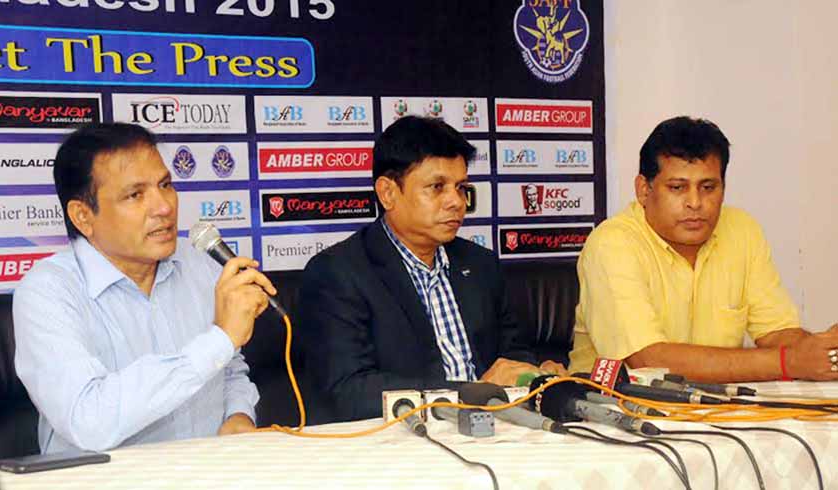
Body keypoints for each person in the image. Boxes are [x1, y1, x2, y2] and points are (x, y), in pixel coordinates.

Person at [13, 123, 276, 453]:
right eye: (135, 195)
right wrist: (219, 340)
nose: (164, 207)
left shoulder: (199, 266)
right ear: (83, 216)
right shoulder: (48, 292)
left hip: (210, 474)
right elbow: (89, 420)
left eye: (165, 185)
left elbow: (229, 367)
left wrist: (238, 415)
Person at [299, 116, 564, 422]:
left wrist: (533, 374)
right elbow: (349, 392)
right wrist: (469, 392)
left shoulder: (481, 265)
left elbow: (512, 355)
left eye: (461, 187)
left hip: (497, 429)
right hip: (399, 444)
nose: (456, 202)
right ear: (388, 193)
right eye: (437, 187)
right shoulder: (337, 273)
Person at [569, 116, 838, 381]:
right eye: (677, 188)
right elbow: (648, 360)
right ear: (643, 189)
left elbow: (778, 333)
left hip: (719, 407)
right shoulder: (612, 244)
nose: (695, 203)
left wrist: (823, 349)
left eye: (708, 187)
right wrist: (787, 362)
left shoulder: (742, 230)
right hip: (613, 412)